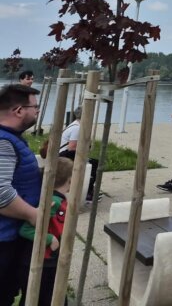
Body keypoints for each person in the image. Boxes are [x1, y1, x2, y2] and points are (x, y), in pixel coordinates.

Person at [0, 83, 42, 306]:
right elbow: (1, 193)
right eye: (35, 107)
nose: (37, 111)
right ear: (18, 111)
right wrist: (33, 215)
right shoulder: (3, 141)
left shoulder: (10, 139)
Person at [18, 156, 72, 306]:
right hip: (41, 263)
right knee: (42, 298)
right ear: (70, 180)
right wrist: (50, 239)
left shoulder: (58, 199)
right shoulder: (52, 202)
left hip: (49, 261)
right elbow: (26, 230)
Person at [58, 106, 99, 203]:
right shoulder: (77, 128)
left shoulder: (73, 124)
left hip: (63, 153)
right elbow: (72, 147)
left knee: (92, 162)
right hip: (65, 154)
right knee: (94, 164)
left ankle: (88, 190)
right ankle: (88, 192)